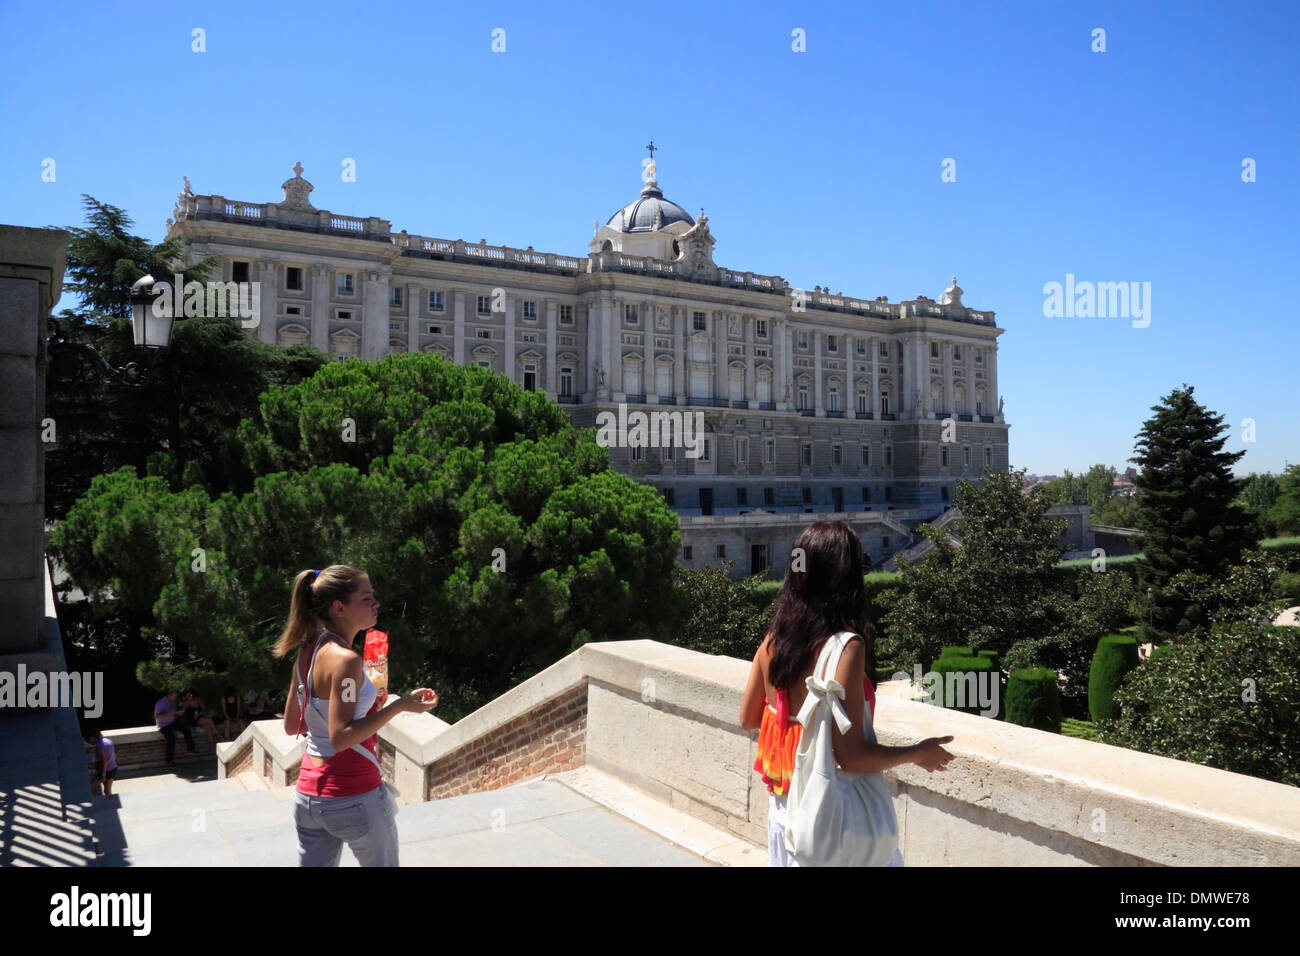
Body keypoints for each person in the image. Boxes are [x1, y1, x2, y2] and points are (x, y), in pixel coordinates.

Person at [739, 521, 954, 866]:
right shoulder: (846, 648)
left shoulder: (772, 641)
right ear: (844, 575)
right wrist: (918, 752)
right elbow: (851, 758)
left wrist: (793, 716)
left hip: (783, 814)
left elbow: (749, 718)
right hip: (830, 819)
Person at [276, 565, 438, 867]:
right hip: (353, 796)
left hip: (309, 798)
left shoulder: (307, 651)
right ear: (339, 607)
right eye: (366, 598)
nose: (376, 603)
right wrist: (398, 705)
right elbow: (341, 737)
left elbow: (290, 725)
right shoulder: (347, 660)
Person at [155, 689, 195, 765]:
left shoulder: (173, 701)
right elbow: (157, 716)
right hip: (163, 725)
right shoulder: (160, 703)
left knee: (186, 728)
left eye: (176, 696)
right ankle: (169, 760)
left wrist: (177, 714)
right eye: (174, 696)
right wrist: (171, 713)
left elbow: (173, 713)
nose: (175, 698)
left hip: (172, 722)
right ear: (169, 695)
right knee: (171, 739)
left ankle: (191, 749)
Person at [85, 728, 118, 796]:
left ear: (92, 737)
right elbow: (114, 756)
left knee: (88, 787)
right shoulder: (108, 741)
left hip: (105, 771)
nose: (88, 742)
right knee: (107, 791)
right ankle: (110, 804)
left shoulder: (99, 745)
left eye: (88, 740)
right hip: (113, 768)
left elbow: (104, 761)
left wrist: (103, 774)